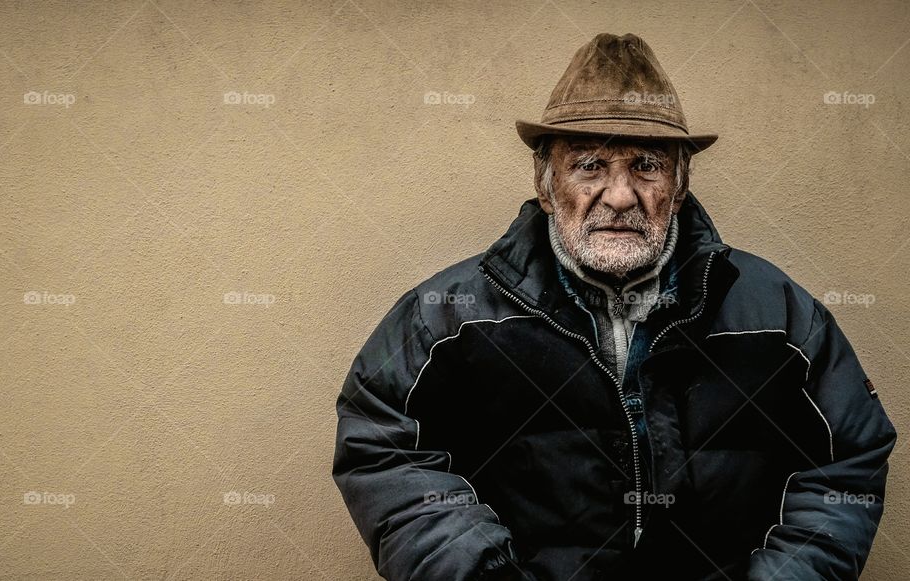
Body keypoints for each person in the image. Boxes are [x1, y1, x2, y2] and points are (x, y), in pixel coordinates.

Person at [332, 33, 897, 581]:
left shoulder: (777, 314)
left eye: (646, 165)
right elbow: (382, 445)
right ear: (547, 183)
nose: (620, 195)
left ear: (679, 185)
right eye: (590, 165)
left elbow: (848, 461)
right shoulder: (448, 317)